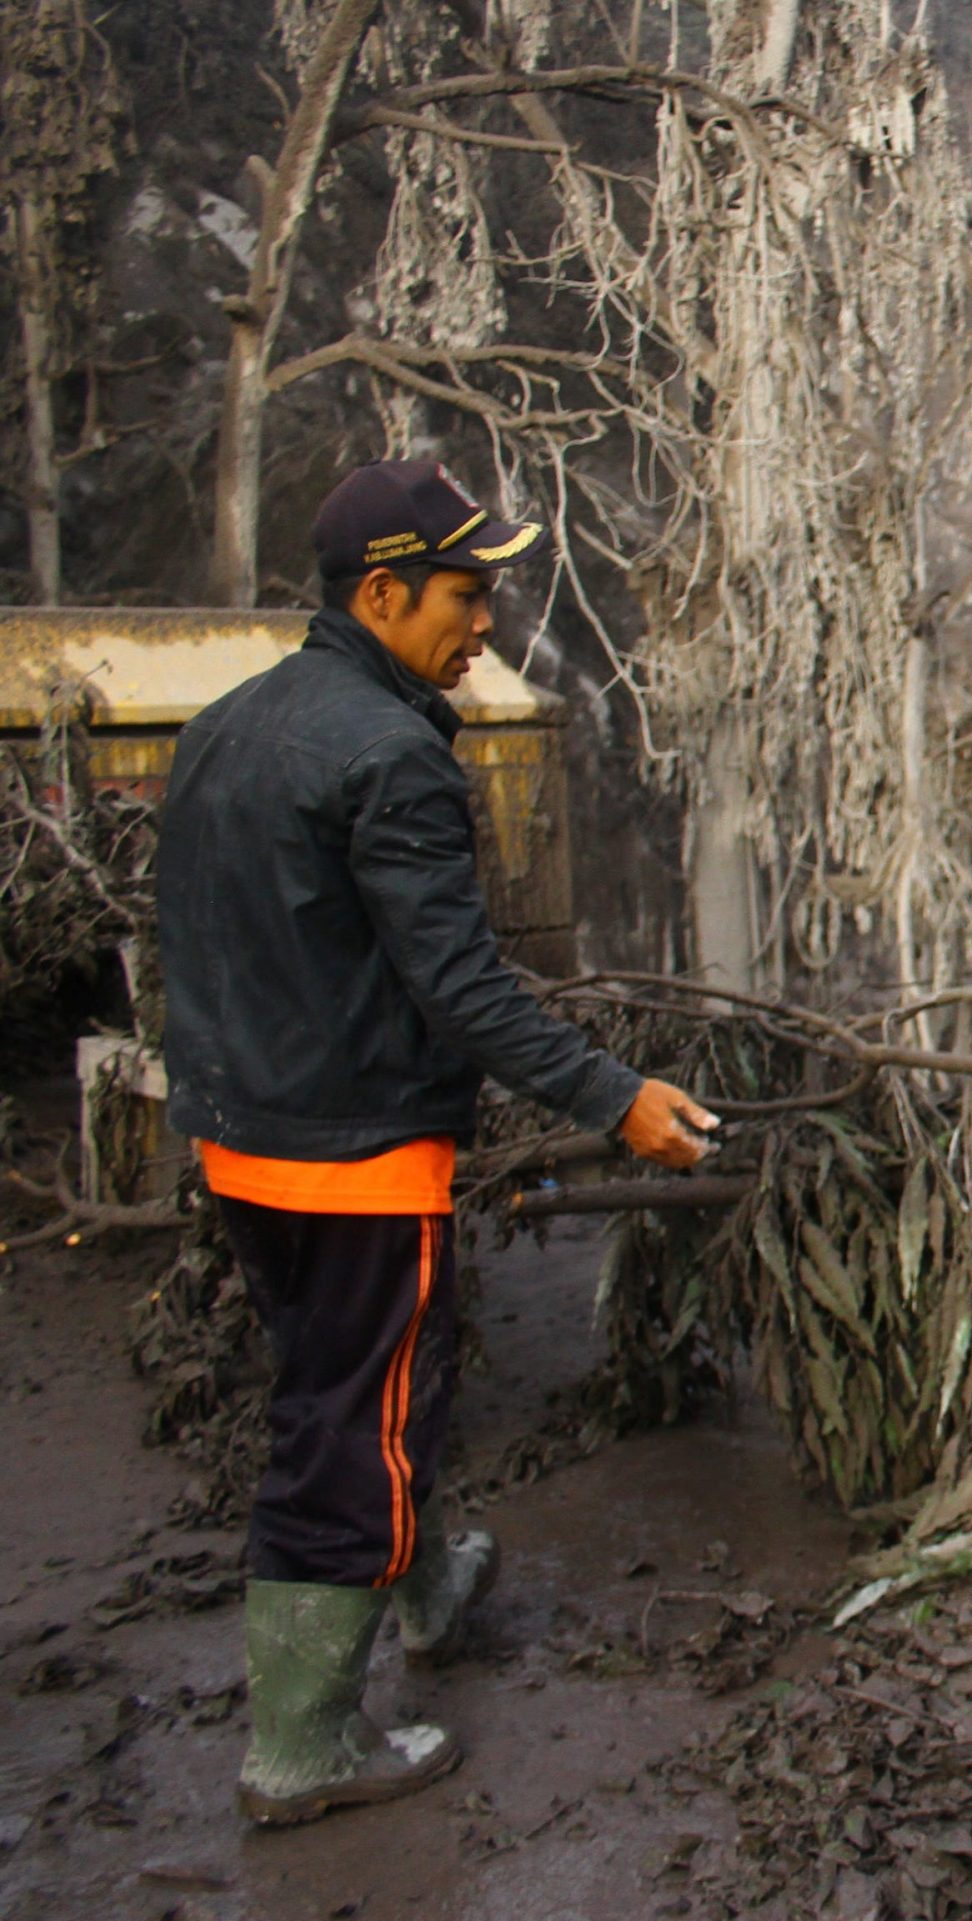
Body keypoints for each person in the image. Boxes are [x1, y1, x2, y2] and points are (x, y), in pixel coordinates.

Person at [156, 458, 718, 1826]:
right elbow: (459, 984)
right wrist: (613, 1095)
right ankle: (301, 1746)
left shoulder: (229, 724)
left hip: (244, 1139)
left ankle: (415, 1583)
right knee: (355, 1427)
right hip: (352, 1157)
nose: (487, 624)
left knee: (361, 1379)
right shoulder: (391, 752)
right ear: (384, 589)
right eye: (468, 595)